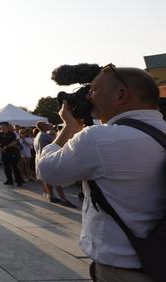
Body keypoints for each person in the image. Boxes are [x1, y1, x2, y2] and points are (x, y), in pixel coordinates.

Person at [38, 65, 166, 282]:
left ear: (121, 94)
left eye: (94, 90)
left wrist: (69, 126)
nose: (88, 96)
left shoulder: (98, 138)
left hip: (123, 270)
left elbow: (47, 171)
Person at [34, 122, 75, 207]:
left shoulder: (38, 135)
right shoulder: (45, 135)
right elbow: (58, 142)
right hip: (48, 158)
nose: (49, 125)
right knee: (56, 179)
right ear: (43, 127)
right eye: (46, 125)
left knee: (47, 179)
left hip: (40, 159)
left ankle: (51, 195)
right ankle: (63, 198)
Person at [0, 121, 23, 186]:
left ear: (6, 126)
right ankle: (9, 180)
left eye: (2, 125)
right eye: (0, 126)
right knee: (6, 167)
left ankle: (18, 181)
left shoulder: (12, 133)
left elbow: (15, 142)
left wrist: (6, 146)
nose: (1, 127)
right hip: (4, 153)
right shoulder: (0, 134)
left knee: (14, 167)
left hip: (12, 152)